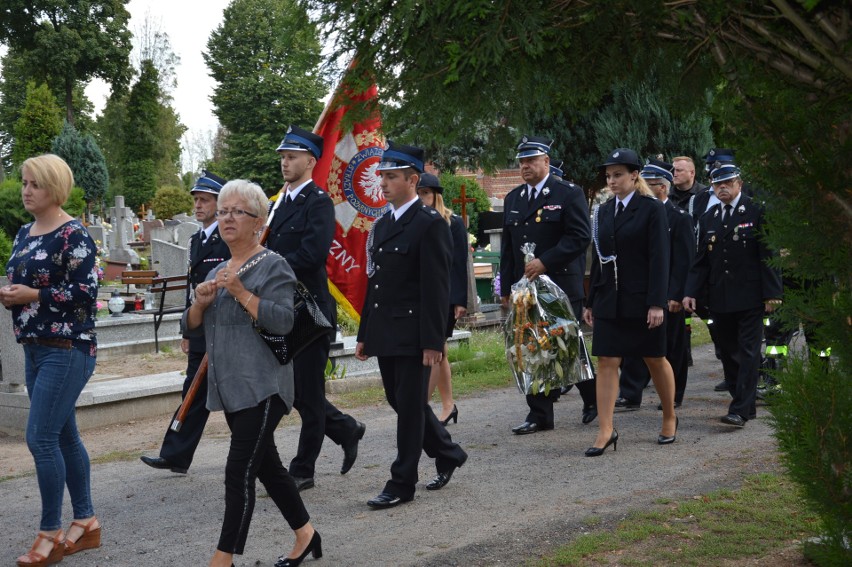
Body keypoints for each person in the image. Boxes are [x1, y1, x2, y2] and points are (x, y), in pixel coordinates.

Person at [184, 180, 321, 567]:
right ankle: (306, 535)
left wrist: (243, 293)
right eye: (223, 210)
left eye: (236, 212)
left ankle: (223, 558)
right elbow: (191, 326)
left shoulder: (273, 264)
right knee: (270, 469)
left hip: (264, 386)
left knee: (238, 471)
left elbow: (282, 322)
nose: (227, 217)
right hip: (229, 387)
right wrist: (199, 304)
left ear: (259, 222)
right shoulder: (217, 266)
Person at [355, 141, 468, 509]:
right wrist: (364, 334)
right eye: (382, 176)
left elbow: (436, 289)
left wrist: (433, 342)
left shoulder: (429, 224)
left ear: (412, 180)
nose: (383, 183)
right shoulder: (384, 222)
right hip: (385, 329)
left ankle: (402, 482)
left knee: (409, 406)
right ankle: (447, 451)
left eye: (391, 177)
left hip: (415, 331)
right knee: (399, 401)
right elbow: (375, 283)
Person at [2, 154, 101, 566]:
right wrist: (12, 294)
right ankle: (87, 523)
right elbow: (21, 281)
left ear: (55, 188)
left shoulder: (73, 235)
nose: (26, 191)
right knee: (62, 436)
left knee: (40, 437)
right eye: (24, 183)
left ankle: (50, 533)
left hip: (68, 348)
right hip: (35, 347)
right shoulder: (26, 231)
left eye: (34, 185)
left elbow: (87, 293)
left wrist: (34, 295)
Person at [265, 125, 366, 491]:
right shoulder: (277, 205)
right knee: (295, 392)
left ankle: (302, 469)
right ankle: (345, 428)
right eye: (282, 157)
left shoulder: (319, 202)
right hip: (282, 310)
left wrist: (268, 266)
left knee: (307, 392)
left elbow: (312, 255)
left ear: (311, 160)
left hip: (311, 311)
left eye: (291, 157)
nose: (285, 162)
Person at [583, 148, 678, 456]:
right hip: (610, 299)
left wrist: (656, 303)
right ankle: (606, 429)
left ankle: (669, 416)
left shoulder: (651, 208)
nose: (612, 181)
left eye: (618, 174)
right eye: (609, 176)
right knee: (607, 361)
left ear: (635, 175)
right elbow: (598, 260)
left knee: (654, 358)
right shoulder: (604, 211)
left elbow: (660, 258)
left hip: (642, 299)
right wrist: (590, 300)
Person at [500, 135, 597, 434]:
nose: (525, 166)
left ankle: (593, 399)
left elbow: (580, 237)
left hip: (560, 284)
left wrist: (546, 261)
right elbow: (508, 246)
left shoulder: (568, 193)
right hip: (525, 288)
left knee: (567, 344)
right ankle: (540, 414)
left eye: (531, 160)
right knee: (530, 347)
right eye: (522, 161)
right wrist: (506, 288)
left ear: (546, 161)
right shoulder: (514, 198)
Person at [140, 170, 231, 474]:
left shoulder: (228, 237)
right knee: (193, 390)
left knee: (239, 398)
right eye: (196, 200)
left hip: (227, 331)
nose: (198, 205)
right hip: (201, 329)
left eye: (205, 200)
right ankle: (176, 454)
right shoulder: (196, 241)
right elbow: (195, 289)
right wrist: (189, 330)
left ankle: (340, 427)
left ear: (220, 203)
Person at [684, 163, 783, 428]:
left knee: (749, 351)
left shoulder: (756, 211)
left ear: (739, 183)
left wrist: (772, 292)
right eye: (717, 184)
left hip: (750, 295)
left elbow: (768, 253)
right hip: (719, 296)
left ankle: (739, 409)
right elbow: (700, 261)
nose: (722, 188)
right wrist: (691, 293)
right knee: (728, 352)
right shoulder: (710, 217)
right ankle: (745, 403)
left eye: (727, 183)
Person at [615, 159, 694, 410]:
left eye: (649, 184)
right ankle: (630, 393)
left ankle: (673, 394)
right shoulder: (635, 213)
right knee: (633, 345)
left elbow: (683, 260)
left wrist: (676, 294)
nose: (643, 188)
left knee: (671, 347)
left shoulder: (678, 218)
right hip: (640, 291)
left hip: (669, 294)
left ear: (663, 188)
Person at [416, 172, 468, 425]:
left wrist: (460, 300)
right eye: (419, 193)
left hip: (446, 297)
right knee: (441, 350)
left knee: (436, 349)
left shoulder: (452, 222)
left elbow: (459, 263)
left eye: (425, 193)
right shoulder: (417, 221)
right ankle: (448, 405)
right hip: (424, 296)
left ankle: (422, 408)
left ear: (436, 195)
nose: (421, 198)